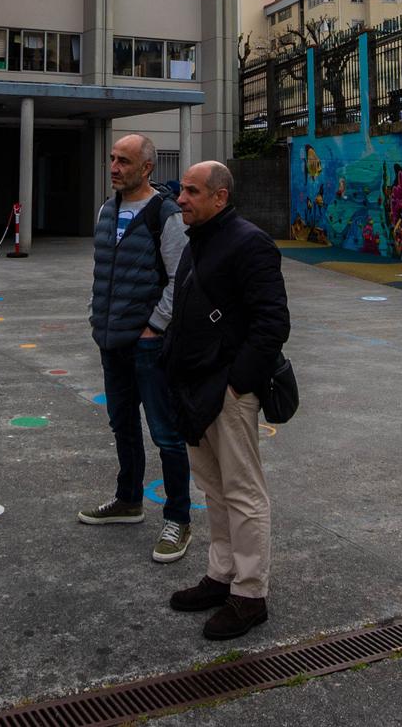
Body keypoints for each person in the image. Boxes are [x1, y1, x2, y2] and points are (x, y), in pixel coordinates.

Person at [162, 160, 290, 640]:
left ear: (219, 196)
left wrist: (238, 385)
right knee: (214, 490)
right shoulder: (198, 242)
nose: (181, 199)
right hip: (191, 387)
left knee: (242, 491)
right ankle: (221, 575)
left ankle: (251, 593)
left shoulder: (250, 242)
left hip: (227, 392)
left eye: (192, 191)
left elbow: (273, 322)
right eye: (182, 190)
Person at [77, 133, 192, 565]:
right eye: (112, 159)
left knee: (166, 434)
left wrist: (154, 327)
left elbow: (181, 278)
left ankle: (178, 518)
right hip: (110, 340)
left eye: (124, 161)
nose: (114, 167)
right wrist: (97, 318)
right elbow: (102, 271)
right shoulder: (107, 210)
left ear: (147, 168)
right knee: (122, 425)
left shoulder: (165, 214)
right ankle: (128, 501)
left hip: (148, 345)